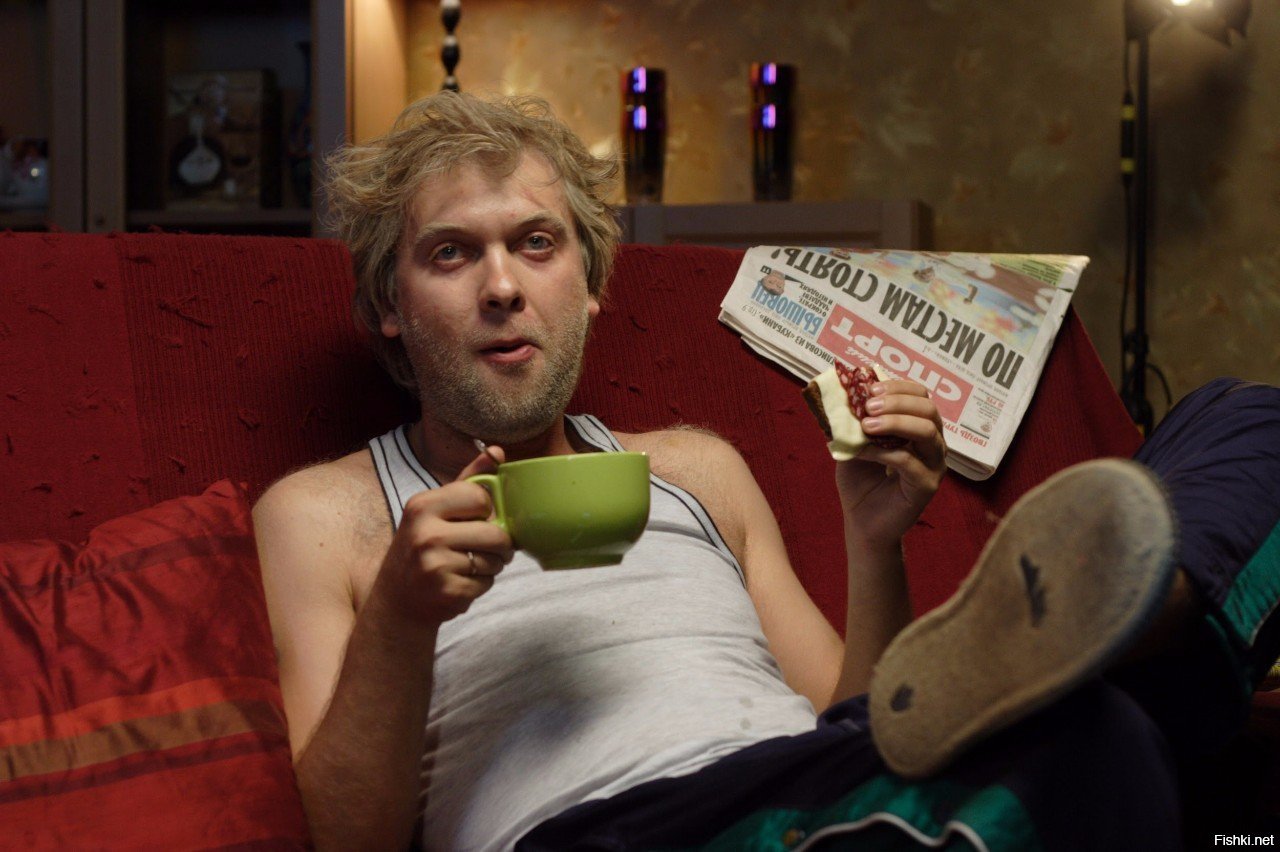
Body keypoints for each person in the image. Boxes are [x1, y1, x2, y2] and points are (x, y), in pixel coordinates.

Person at [252, 91, 1280, 851]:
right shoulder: (330, 515)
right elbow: (346, 839)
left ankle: (1138, 609)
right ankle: (1100, 641)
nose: (503, 287)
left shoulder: (693, 467)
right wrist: (401, 618)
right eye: (450, 254)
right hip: (607, 831)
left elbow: (859, 717)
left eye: (535, 244)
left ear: (592, 283)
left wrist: (875, 543)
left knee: (1248, 427)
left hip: (813, 794)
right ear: (387, 306)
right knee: (1107, 739)